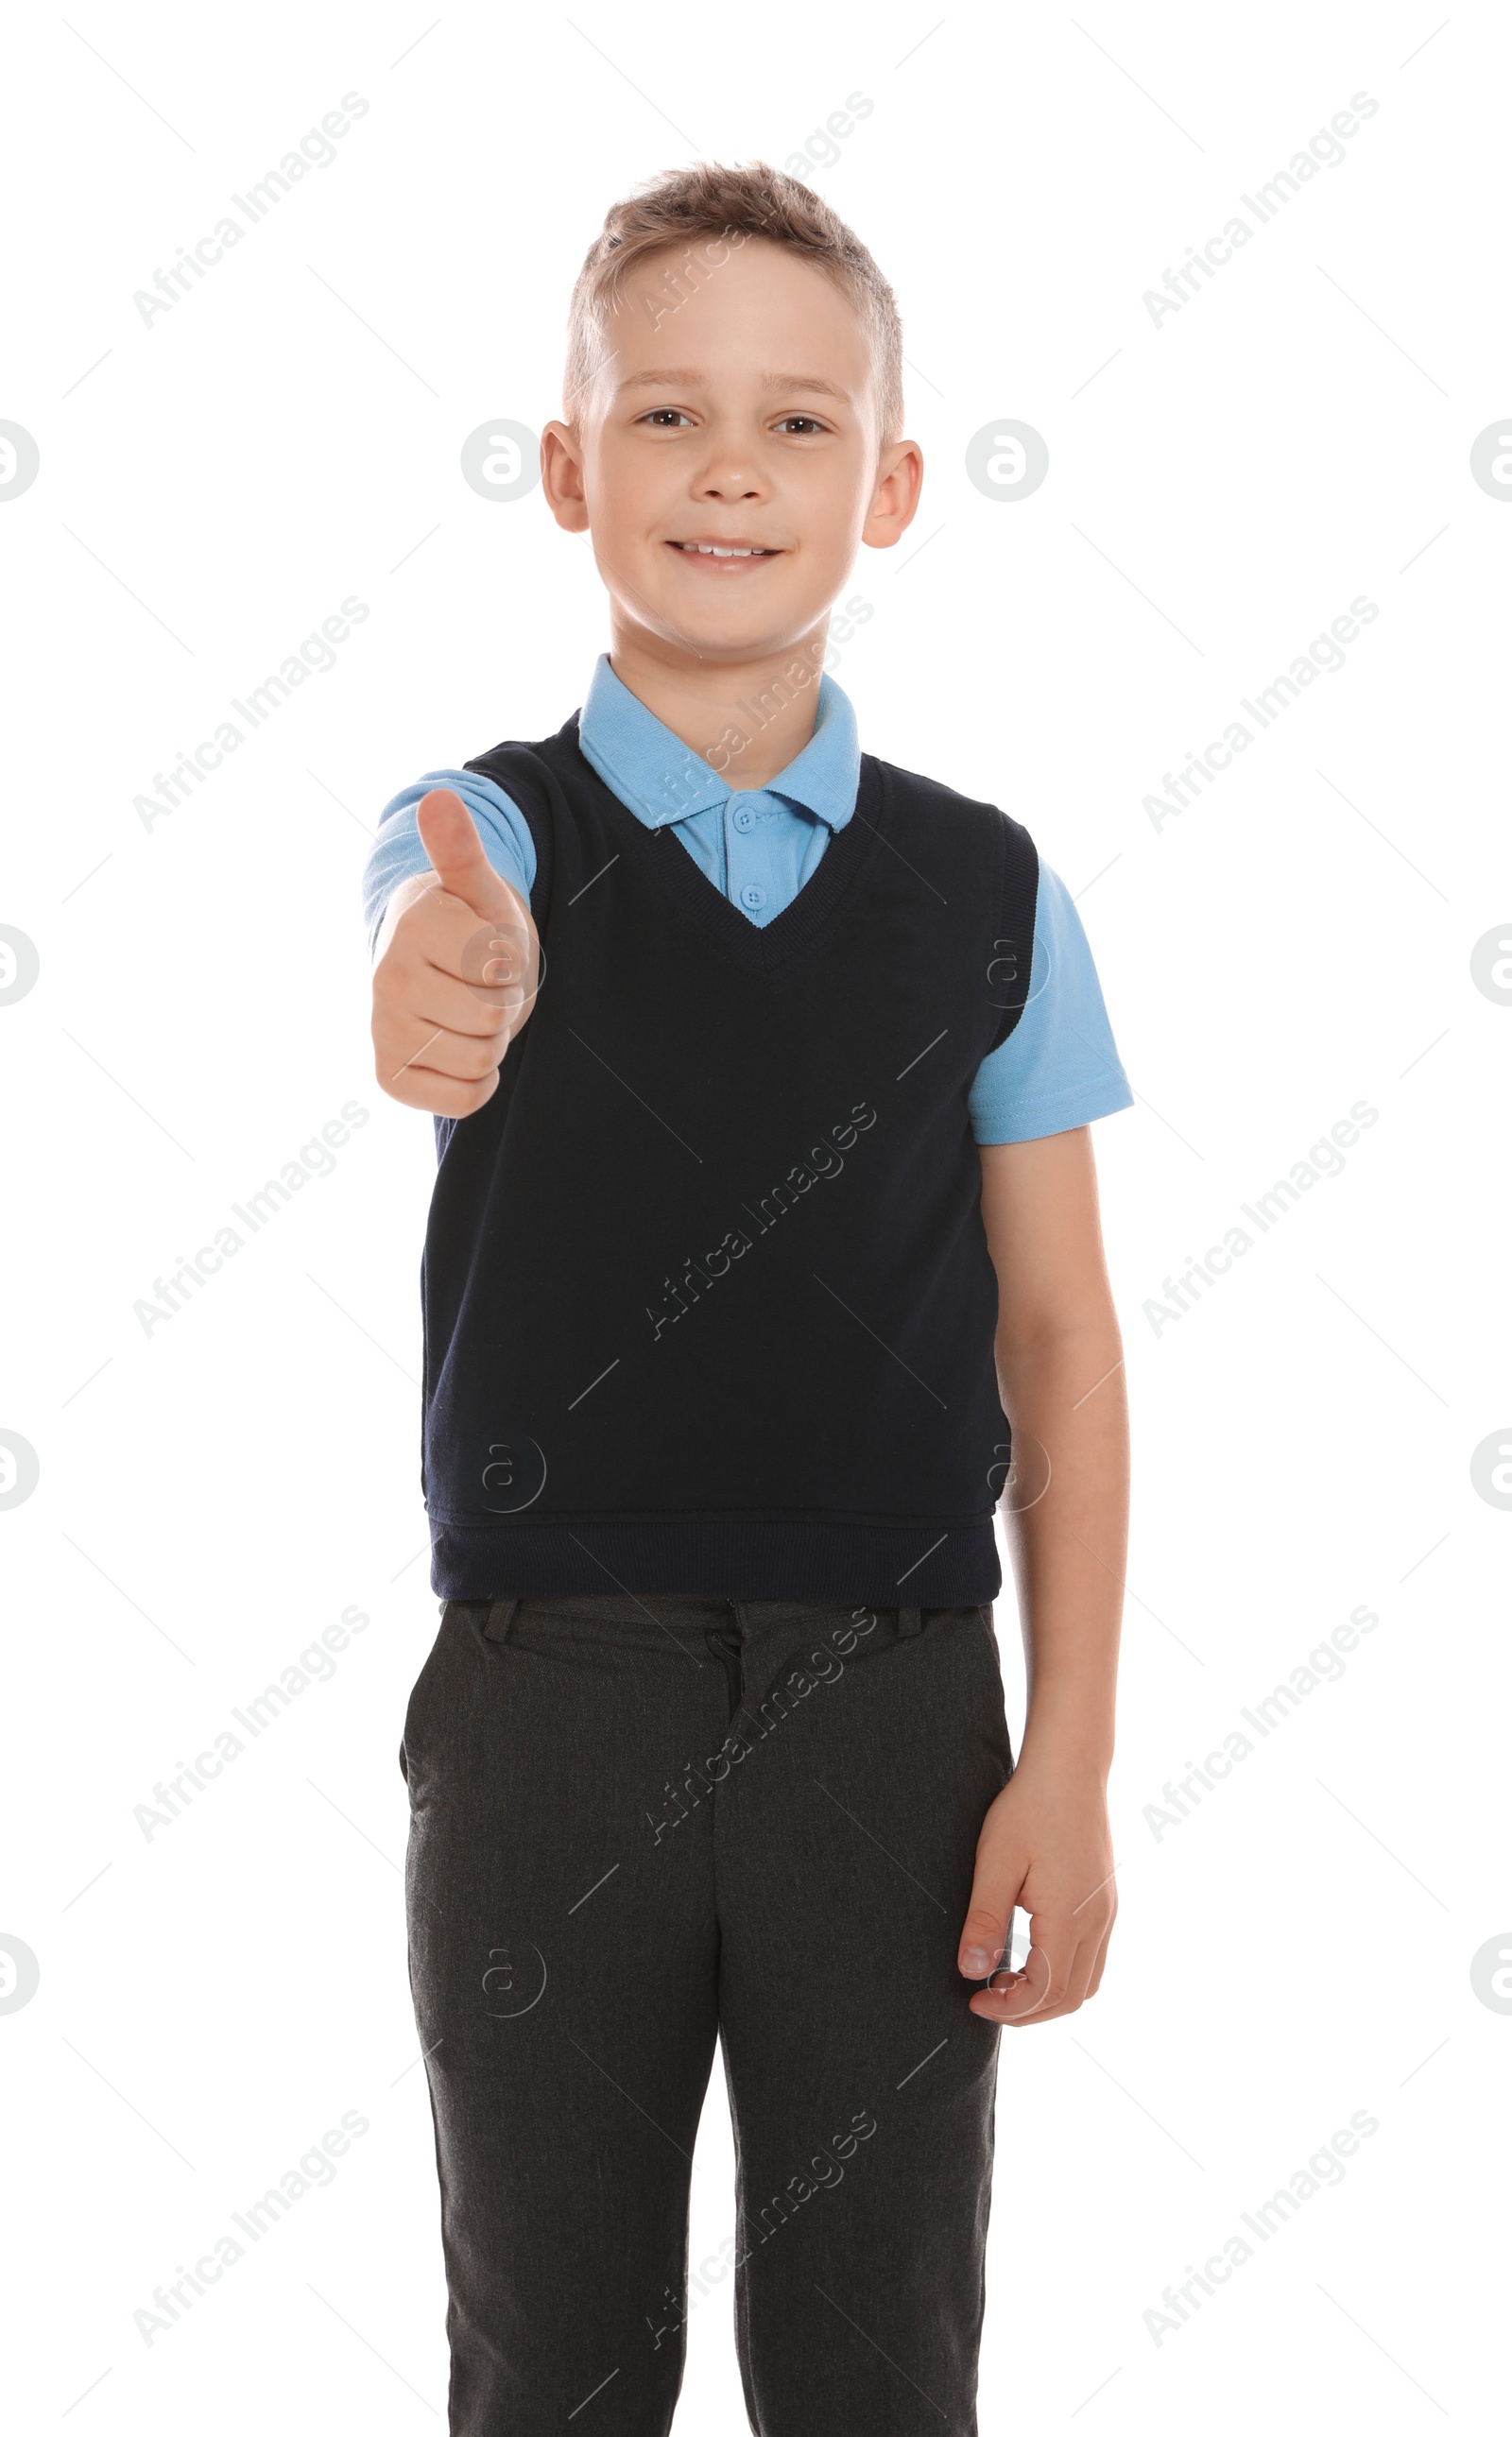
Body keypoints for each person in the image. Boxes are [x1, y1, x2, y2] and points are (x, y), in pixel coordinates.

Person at [362, 160, 1131, 2437]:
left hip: (891, 1721)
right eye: (669, 413)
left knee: (881, 2369)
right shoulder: (473, 835)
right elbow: (420, 936)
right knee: (547, 2362)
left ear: (886, 484)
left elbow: (1061, 1336)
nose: (729, 466)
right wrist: (439, 976)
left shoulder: (982, 891)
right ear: (567, 467)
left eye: (798, 424)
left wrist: (1065, 1756)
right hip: (540, 1710)